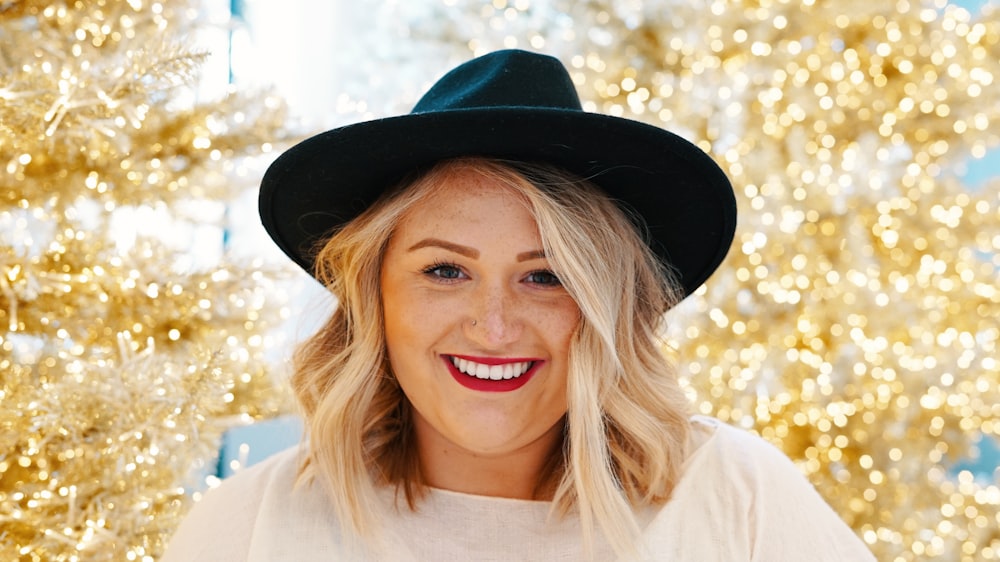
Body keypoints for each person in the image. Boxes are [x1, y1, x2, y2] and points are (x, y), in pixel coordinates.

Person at [163, 49, 875, 561]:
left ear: (606, 307)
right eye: (445, 270)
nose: (493, 325)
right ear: (371, 297)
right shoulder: (245, 526)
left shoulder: (733, 496)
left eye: (546, 277)